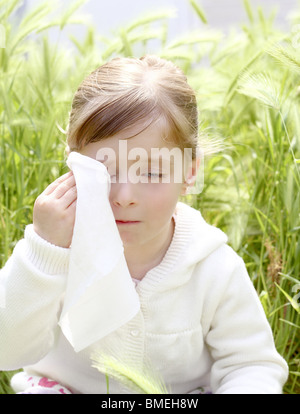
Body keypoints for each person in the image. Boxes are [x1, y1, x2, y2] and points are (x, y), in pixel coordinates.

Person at [0, 55, 288, 394]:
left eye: (151, 172)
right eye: (105, 171)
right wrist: (44, 250)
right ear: (74, 166)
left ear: (189, 172)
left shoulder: (213, 267)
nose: (125, 196)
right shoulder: (56, 251)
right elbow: (7, 350)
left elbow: (251, 365)